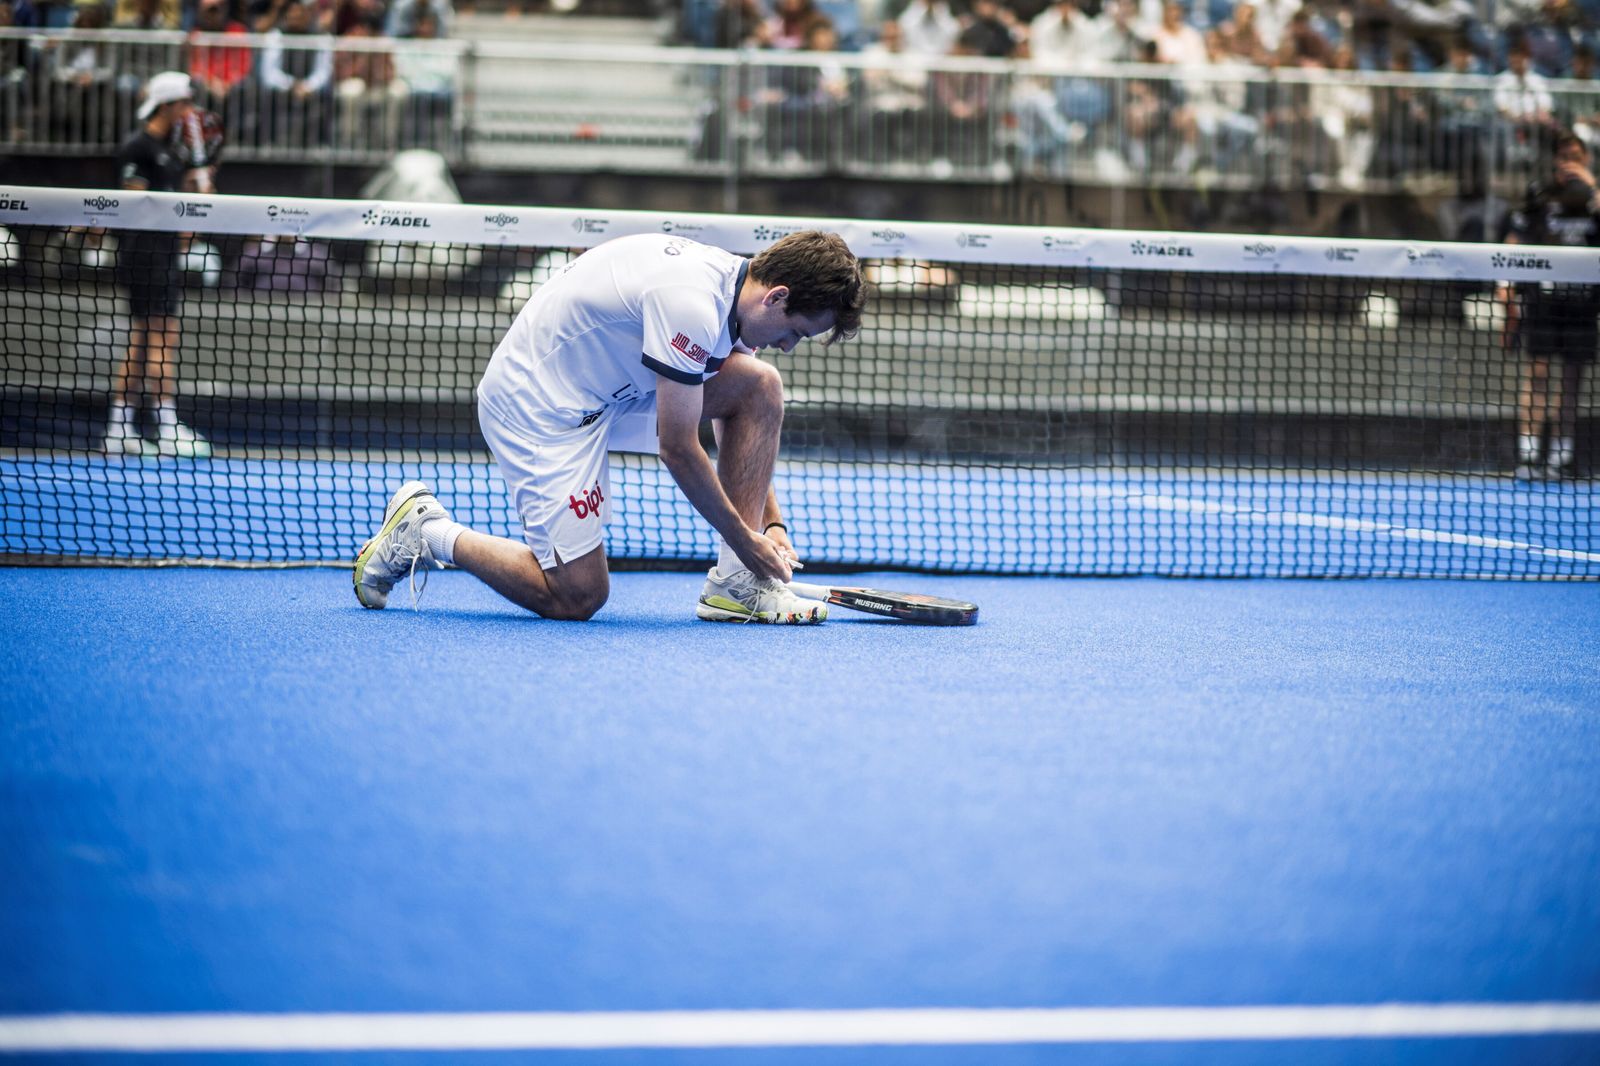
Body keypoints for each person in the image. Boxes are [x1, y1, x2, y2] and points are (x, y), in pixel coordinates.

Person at [352, 230, 865, 623]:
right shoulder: (691, 303)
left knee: (759, 385)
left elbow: (742, 422)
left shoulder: (737, 295)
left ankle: (735, 587)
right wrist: (747, 540)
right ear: (775, 297)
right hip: (540, 406)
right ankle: (427, 531)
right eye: (796, 332)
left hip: (615, 389)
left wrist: (769, 527)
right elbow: (679, 448)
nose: (790, 345)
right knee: (577, 596)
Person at [101, 70, 212, 458]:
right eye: (184, 104)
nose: (189, 112)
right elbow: (137, 203)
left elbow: (192, 209)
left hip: (164, 255)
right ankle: (165, 425)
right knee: (161, 336)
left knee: (143, 339)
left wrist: (202, 179)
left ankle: (120, 426)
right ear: (168, 105)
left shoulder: (175, 153)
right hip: (141, 254)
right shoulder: (138, 147)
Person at [1500, 131, 1599, 480]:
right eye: (1564, 156)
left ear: (1586, 159)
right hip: (1544, 298)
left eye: (1576, 156)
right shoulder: (1539, 193)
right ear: (1555, 160)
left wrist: (1592, 186)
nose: (1569, 162)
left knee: (1572, 380)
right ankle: (1528, 455)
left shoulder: (1594, 196)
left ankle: (1561, 456)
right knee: (1537, 373)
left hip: (1584, 301)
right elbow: (1516, 237)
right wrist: (1505, 285)